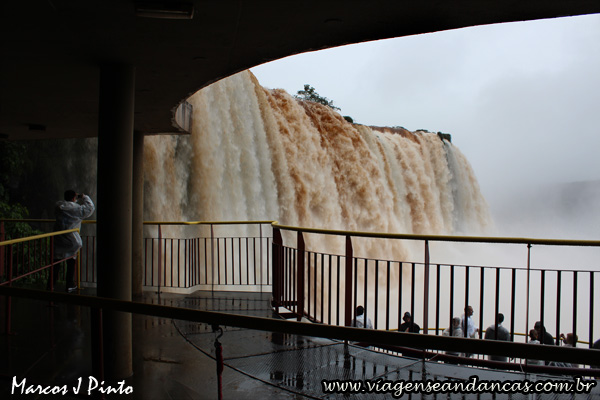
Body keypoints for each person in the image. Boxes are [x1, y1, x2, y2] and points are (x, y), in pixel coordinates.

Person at [50, 190, 95, 292]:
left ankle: (51, 285)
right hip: (71, 239)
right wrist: (84, 197)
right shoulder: (77, 209)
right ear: (74, 198)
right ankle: (70, 284)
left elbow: (61, 204)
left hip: (59, 236)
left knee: (56, 261)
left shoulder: (59, 206)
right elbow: (90, 207)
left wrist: (73, 198)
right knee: (71, 261)